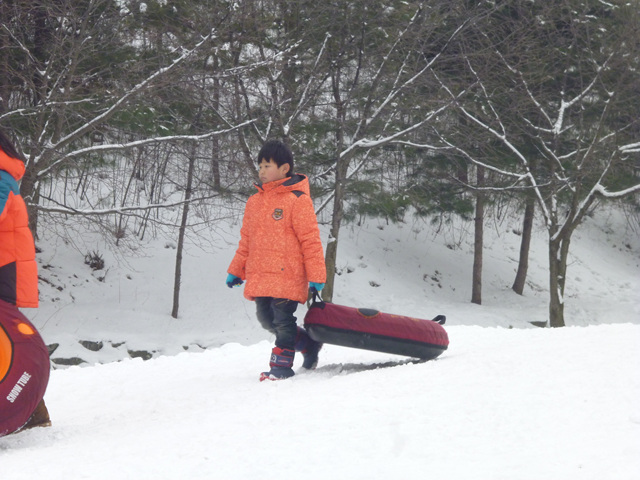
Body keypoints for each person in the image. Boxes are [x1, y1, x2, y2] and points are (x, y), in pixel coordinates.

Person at [226, 139, 326, 381]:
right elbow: (246, 241)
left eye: (267, 166)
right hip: (261, 274)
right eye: (259, 166)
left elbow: (310, 240)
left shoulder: (298, 200)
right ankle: (309, 345)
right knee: (266, 319)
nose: (261, 171)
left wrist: (316, 276)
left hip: (288, 274)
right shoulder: (254, 202)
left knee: (282, 320)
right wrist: (236, 269)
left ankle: (280, 368)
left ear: (284, 168)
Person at [0, 128, 51, 431]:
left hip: (5, 266)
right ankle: (29, 413)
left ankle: (27, 412)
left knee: (9, 338)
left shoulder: (2, 173)